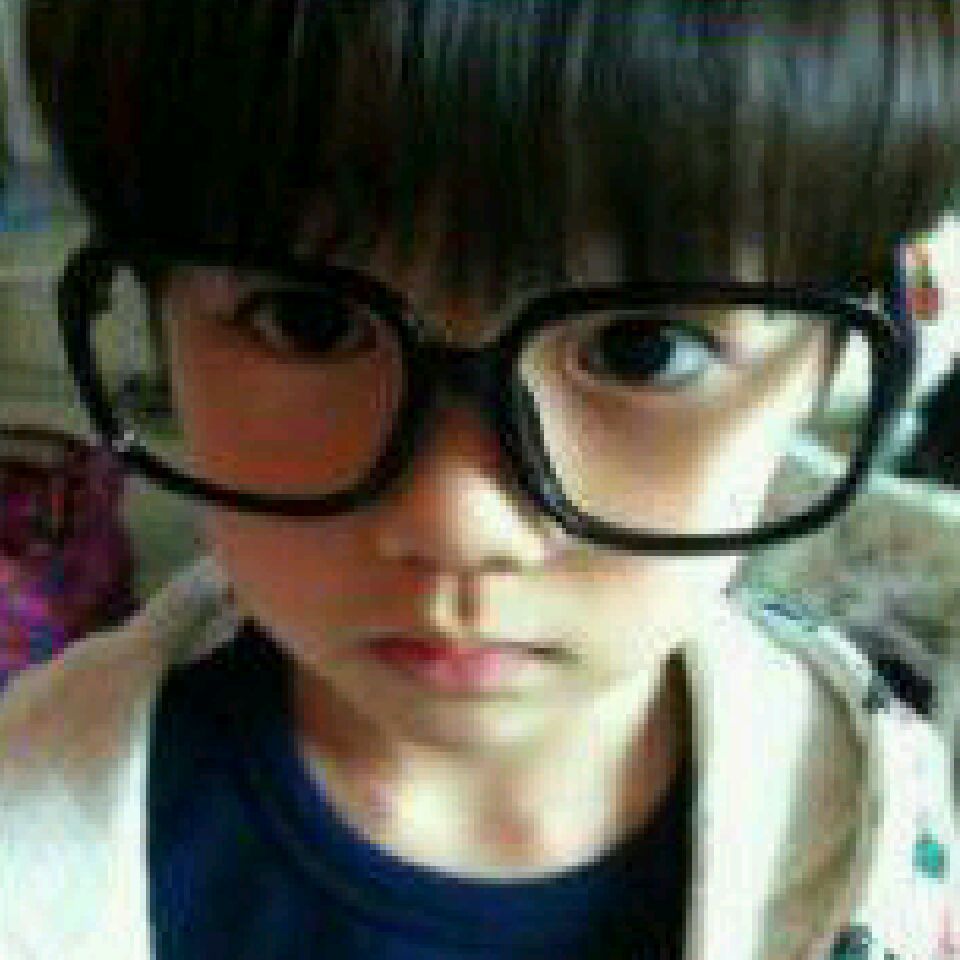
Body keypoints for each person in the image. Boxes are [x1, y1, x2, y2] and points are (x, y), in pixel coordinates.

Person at [2, 2, 958, 958]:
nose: (457, 522)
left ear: (831, 362)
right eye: (308, 321)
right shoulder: (27, 831)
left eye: (641, 348)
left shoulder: (883, 815)